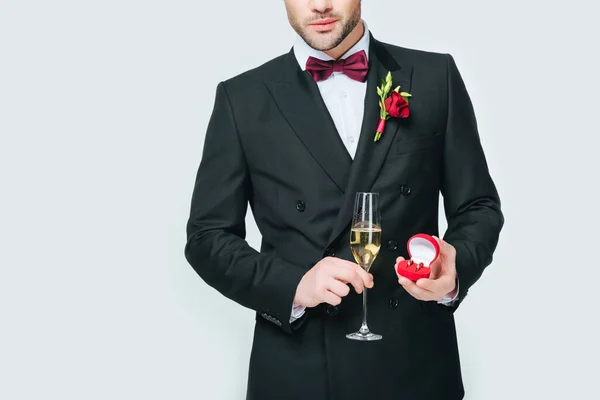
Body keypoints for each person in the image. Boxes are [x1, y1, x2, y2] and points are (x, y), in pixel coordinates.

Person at [184, 0, 504, 398]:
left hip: (416, 365)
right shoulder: (242, 98)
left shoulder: (434, 77)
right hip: (300, 370)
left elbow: (478, 206)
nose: (320, 5)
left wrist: (456, 267)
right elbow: (207, 237)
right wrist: (294, 285)